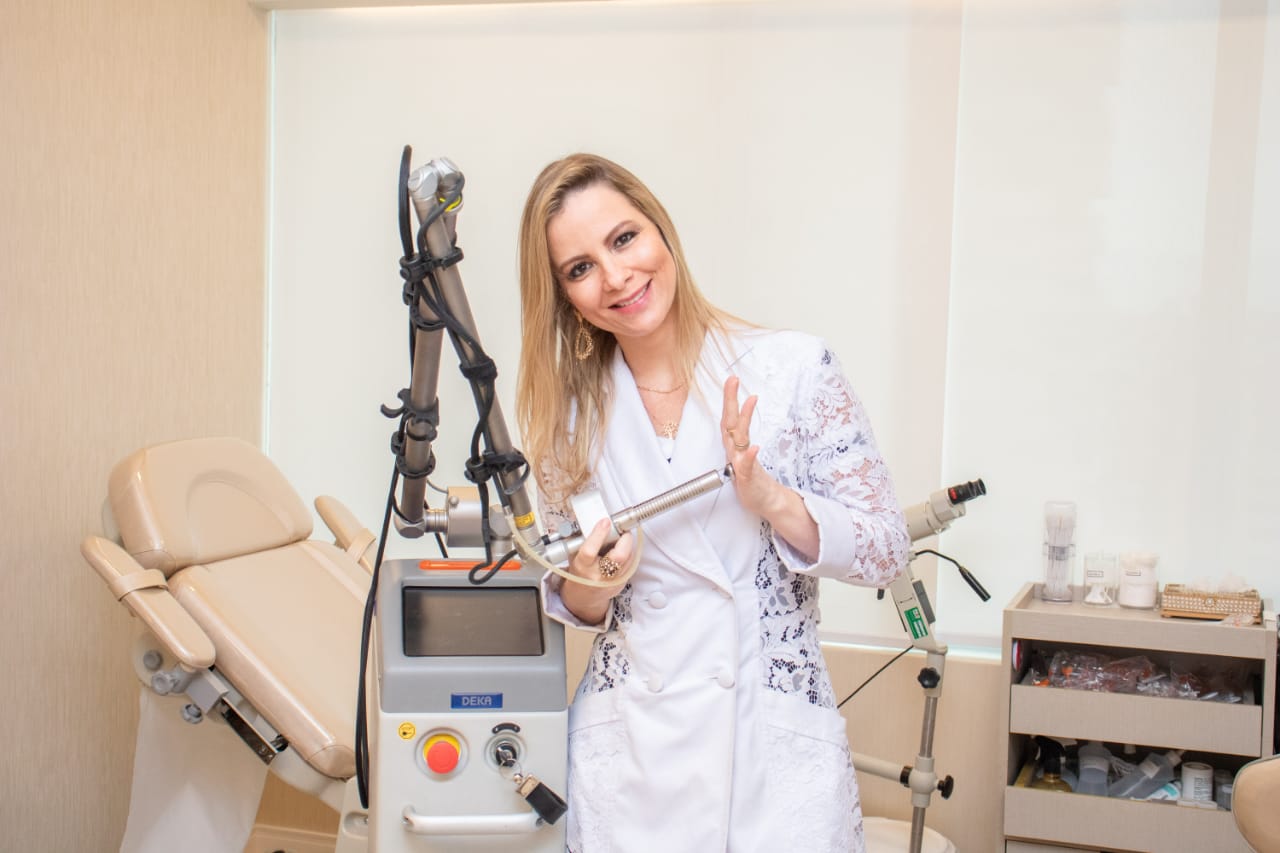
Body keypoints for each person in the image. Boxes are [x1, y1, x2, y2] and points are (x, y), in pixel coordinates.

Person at [515, 153, 910, 853]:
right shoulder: (566, 423)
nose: (614, 277)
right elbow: (576, 603)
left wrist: (774, 500)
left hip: (769, 757)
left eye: (623, 238)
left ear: (661, 231)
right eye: (579, 268)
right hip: (632, 760)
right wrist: (596, 579)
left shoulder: (792, 369)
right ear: (565, 295)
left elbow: (887, 549)